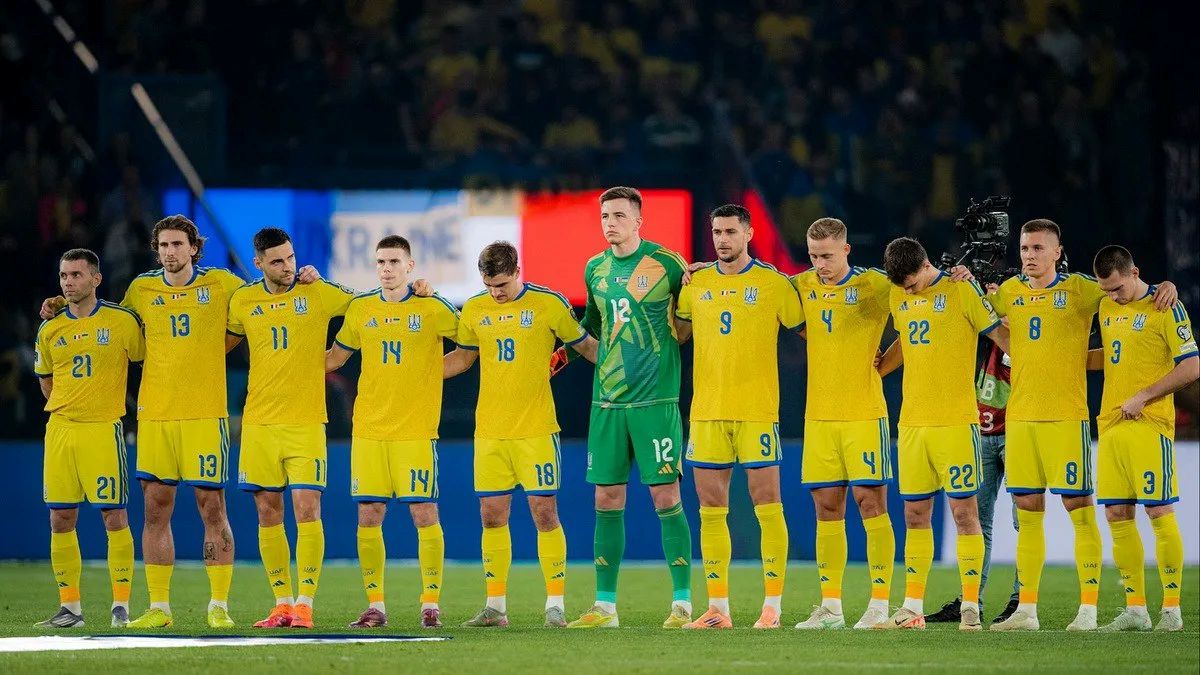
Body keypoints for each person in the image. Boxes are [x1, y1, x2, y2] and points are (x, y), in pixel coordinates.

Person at [37, 215, 321, 628]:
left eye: (177, 244)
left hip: (205, 415)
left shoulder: (222, 284)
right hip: (155, 416)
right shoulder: (141, 289)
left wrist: (305, 278)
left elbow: (262, 299)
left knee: (212, 507)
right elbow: (104, 319)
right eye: (164, 245)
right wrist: (60, 304)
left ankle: (219, 606)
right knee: (155, 510)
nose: (170, 252)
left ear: (194, 248)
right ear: (157, 250)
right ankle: (159, 608)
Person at [989, 220, 1176, 632]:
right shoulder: (1009, 291)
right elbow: (979, 311)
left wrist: (1166, 285)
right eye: (1024, 248)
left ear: (1057, 252)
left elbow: (1129, 290)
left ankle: (1088, 609)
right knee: (1027, 514)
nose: (1029, 255)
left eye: (1038, 248)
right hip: (1019, 419)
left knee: (1080, 510)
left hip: (1067, 418)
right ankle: (1026, 611)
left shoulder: (1081, 289)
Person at [791, 217, 973, 629]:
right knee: (826, 507)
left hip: (865, 414)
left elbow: (920, 301)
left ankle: (877, 603)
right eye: (813, 256)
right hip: (818, 416)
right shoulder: (800, 285)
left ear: (846, 250)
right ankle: (831, 608)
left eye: (827, 256)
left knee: (870, 503)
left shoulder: (876, 284)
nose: (820, 264)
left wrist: (957, 277)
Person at [444, 241, 598, 628]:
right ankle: (495, 607)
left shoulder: (548, 303)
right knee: (491, 516)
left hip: (536, 430)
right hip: (490, 432)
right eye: (489, 285)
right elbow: (462, 358)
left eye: (502, 284)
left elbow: (586, 347)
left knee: (544, 513)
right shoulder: (475, 309)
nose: (496, 292)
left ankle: (555, 604)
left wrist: (628, 359)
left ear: (517, 271)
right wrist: (416, 371)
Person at [568, 187, 694, 629]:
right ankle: (605, 607)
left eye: (620, 215)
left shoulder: (668, 264)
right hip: (607, 402)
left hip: (655, 401)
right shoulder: (595, 269)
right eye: (605, 216)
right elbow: (592, 328)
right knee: (605, 497)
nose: (611, 223)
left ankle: (682, 603)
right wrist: (565, 353)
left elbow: (687, 325)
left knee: (666, 495)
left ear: (639, 220)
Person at [673, 204, 800, 629]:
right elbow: (679, 332)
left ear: (748, 233)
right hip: (707, 412)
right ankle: (718, 609)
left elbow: (808, 330)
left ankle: (772, 607)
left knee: (768, 506)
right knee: (711, 510)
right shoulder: (696, 283)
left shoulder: (773, 283)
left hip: (756, 412)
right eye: (716, 232)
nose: (722, 239)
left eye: (730, 231)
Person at [325, 235, 460, 629]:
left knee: (424, 513)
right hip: (369, 430)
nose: (386, 269)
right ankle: (376, 606)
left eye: (394, 262)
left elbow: (470, 345)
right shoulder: (361, 308)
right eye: (381, 262)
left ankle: (430, 604)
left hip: (415, 431)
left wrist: (430, 374)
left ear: (410, 266)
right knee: (369, 514)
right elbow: (336, 358)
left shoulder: (432, 307)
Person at [876, 237, 1010, 631]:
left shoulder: (960, 289)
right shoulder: (898, 294)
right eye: (902, 287)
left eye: (913, 284)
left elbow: (1001, 337)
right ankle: (911, 605)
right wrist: (879, 367)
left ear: (926, 264)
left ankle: (970, 605)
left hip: (956, 423)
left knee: (965, 514)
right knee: (915, 514)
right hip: (912, 424)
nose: (908, 292)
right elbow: (906, 338)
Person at [225, 228, 355, 629]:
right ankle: (281, 604)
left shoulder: (317, 292)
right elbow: (220, 343)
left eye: (291, 257)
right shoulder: (243, 301)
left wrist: (339, 353)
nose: (288, 266)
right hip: (260, 424)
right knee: (267, 511)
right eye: (278, 261)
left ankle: (305, 603)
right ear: (258, 263)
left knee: (307, 508)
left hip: (306, 422)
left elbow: (368, 306)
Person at [34, 248, 143, 628]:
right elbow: (46, 380)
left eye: (76, 275)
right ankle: (71, 609)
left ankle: (121, 606)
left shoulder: (121, 321)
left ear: (96, 279)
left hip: (102, 429)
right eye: (64, 275)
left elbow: (147, 360)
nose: (68, 282)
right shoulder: (49, 328)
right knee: (60, 517)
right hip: (61, 430)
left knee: (114, 515)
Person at [1090, 245, 1196, 632]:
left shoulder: (1166, 306)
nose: (1113, 296)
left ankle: (1171, 609)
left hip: (1150, 425)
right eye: (1107, 290)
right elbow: (1112, 354)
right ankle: (1135, 609)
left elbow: (1192, 366)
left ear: (1134, 272)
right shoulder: (1106, 305)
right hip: (1111, 425)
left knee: (1158, 512)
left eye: (1118, 288)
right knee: (1117, 514)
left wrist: (1144, 396)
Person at [926, 332, 1022, 625]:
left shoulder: (1026, 325)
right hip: (980, 432)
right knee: (976, 521)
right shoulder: (978, 334)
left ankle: (1022, 601)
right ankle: (970, 601)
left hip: (1019, 431)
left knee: (1025, 521)